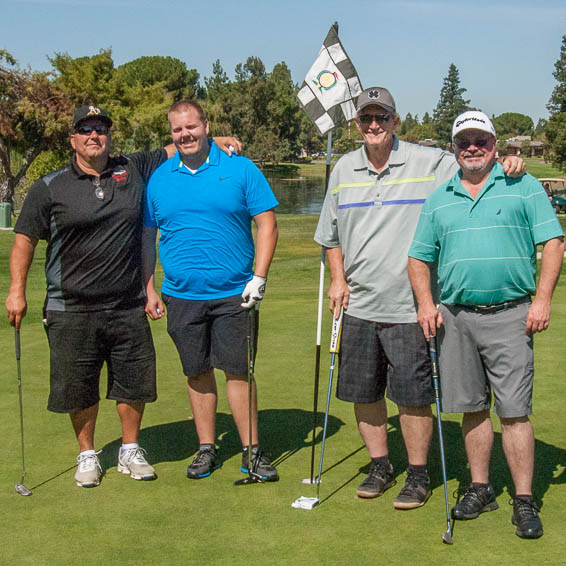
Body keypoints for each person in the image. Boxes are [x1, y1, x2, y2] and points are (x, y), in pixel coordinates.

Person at [5, 104, 241, 488]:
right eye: (86, 130)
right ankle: (87, 454)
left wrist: (216, 141)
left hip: (127, 303)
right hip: (71, 305)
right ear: (73, 139)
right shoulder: (50, 186)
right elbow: (25, 239)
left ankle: (130, 449)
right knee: (79, 384)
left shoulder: (131, 168)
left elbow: (176, 146)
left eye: (101, 129)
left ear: (109, 135)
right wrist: (16, 290)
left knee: (132, 382)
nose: (94, 135)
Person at [314, 88, 525, 509]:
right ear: (357, 124)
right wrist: (337, 279)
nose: (373, 126)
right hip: (357, 305)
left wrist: (508, 162)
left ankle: (417, 474)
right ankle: (379, 465)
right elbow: (331, 236)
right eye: (366, 119)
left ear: (395, 120)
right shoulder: (343, 168)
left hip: (411, 307)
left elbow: (475, 160)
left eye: (382, 117)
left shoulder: (430, 162)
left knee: (412, 397)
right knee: (363, 394)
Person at [408, 111, 564, 538]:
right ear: (454, 148)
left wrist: (543, 299)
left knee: (514, 412)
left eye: (480, 140)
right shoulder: (440, 198)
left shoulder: (523, 185)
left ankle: (525, 500)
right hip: (456, 318)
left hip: (513, 315)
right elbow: (419, 258)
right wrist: (426, 303)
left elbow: (552, 242)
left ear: (495, 145)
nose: (472, 147)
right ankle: (481, 488)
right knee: (473, 408)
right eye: (464, 142)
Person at [142, 100, 279, 481]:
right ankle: (206, 449)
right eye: (177, 130)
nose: (185, 134)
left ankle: (252, 452)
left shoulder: (240, 168)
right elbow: (148, 235)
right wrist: (149, 285)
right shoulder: (160, 177)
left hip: (236, 292)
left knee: (238, 371)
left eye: (191, 127)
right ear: (171, 134)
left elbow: (267, 224)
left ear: (206, 125)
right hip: (182, 294)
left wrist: (260, 276)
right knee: (197, 371)